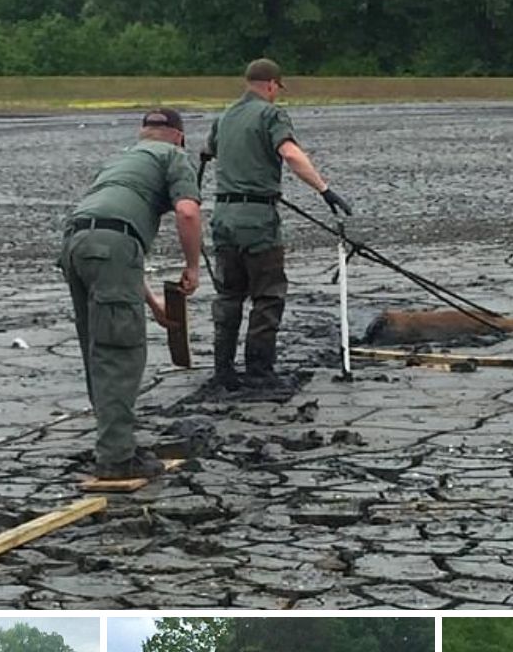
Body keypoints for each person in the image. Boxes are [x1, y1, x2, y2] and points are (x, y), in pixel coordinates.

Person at [60, 108, 202, 479]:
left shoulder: (119, 162)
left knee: (98, 345)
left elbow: (113, 244)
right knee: (120, 351)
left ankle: (111, 442)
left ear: (143, 133)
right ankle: (117, 458)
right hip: (113, 246)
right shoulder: (174, 156)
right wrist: (192, 266)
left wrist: (154, 305)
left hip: (76, 243)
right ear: (179, 136)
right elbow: (187, 212)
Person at [200, 58, 352, 390]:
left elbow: (206, 153)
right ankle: (259, 370)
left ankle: (223, 369)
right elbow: (292, 154)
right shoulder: (271, 114)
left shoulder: (224, 117)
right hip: (257, 221)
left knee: (228, 296)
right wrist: (324, 190)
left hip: (223, 218)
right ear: (271, 85)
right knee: (267, 296)